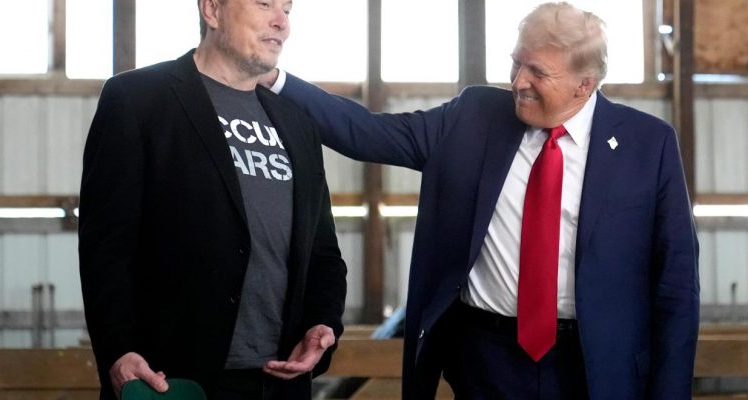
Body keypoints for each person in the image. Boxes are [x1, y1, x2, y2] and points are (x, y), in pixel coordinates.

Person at [262, 2, 699, 399]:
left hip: (596, 366)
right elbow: (367, 133)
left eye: (537, 72)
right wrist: (273, 79)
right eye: (516, 62)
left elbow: (676, 287)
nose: (518, 81)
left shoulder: (648, 144)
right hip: (488, 360)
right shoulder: (474, 117)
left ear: (585, 84)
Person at [78, 0, 347, 399]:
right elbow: (106, 245)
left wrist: (322, 323)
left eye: (287, 10)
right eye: (264, 3)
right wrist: (118, 349)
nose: (281, 23)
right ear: (212, 10)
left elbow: (322, 252)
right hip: (171, 379)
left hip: (280, 381)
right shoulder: (138, 99)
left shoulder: (297, 122)